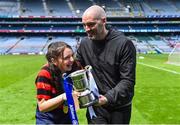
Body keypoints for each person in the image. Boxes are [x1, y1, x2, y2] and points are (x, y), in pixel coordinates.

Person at [76, 5, 136, 124]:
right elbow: (76, 68)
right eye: (84, 25)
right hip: (96, 106)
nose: (86, 29)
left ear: (104, 21)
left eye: (91, 24)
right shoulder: (84, 44)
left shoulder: (124, 44)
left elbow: (128, 81)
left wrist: (107, 98)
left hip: (120, 106)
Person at [35, 41, 80, 124]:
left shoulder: (73, 66)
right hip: (47, 118)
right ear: (54, 60)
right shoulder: (44, 74)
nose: (72, 60)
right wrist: (64, 96)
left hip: (66, 114)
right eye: (66, 58)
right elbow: (42, 106)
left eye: (72, 56)